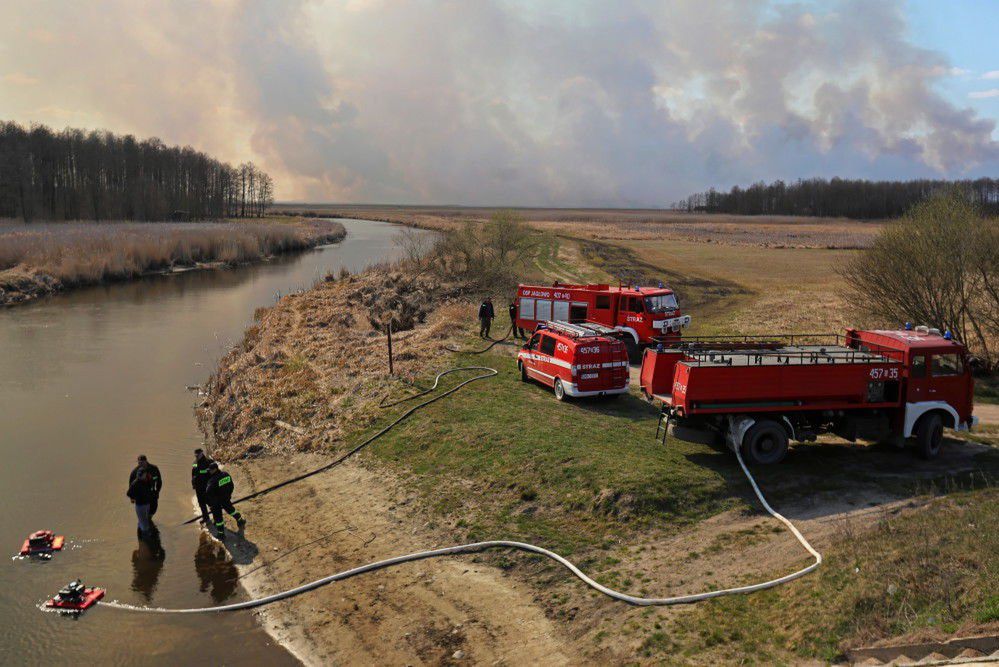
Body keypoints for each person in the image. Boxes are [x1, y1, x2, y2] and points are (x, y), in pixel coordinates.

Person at [204, 462, 246, 541]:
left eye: (210, 470)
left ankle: (221, 534)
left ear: (215, 469)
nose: (209, 471)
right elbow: (231, 486)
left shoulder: (212, 481)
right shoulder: (226, 475)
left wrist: (210, 504)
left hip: (217, 502)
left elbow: (208, 494)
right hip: (225, 499)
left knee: (218, 518)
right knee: (231, 510)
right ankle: (240, 520)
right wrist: (228, 495)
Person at [127, 467, 155, 536]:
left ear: (145, 474)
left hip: (147, 504)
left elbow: (153, 482)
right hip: (140, 506)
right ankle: (146, 538)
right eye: (139, 475)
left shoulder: (148, 480)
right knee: (144, 524)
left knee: (143, 521)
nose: (139, 476)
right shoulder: (135, 483)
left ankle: (140, 533)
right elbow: (129, 493)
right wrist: (134, 498)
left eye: (141, 475)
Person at [191, 448, 215, 525]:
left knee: (210, 502)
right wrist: (193, 483)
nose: (196, 456)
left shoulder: (208, 461)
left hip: (206, 486)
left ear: (202, 453)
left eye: (198, 455)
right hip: (198, 486)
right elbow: (193, 472)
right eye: (196, 455)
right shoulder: (195, 462)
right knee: (201, 503)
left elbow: (211, 472)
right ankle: (206, 517)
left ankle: (216, 517)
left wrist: (201, 472)